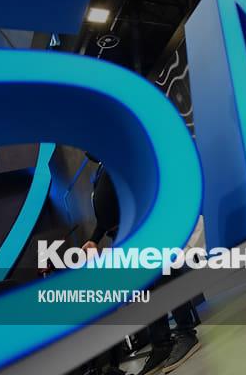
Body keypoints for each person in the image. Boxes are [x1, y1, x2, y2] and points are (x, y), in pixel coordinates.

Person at [82, 161, 202, 375]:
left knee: (166, 278)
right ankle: (161, 344)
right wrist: (94, 239)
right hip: (123, 235)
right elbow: (106, 213)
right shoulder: (103, 167)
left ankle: (186, 334)